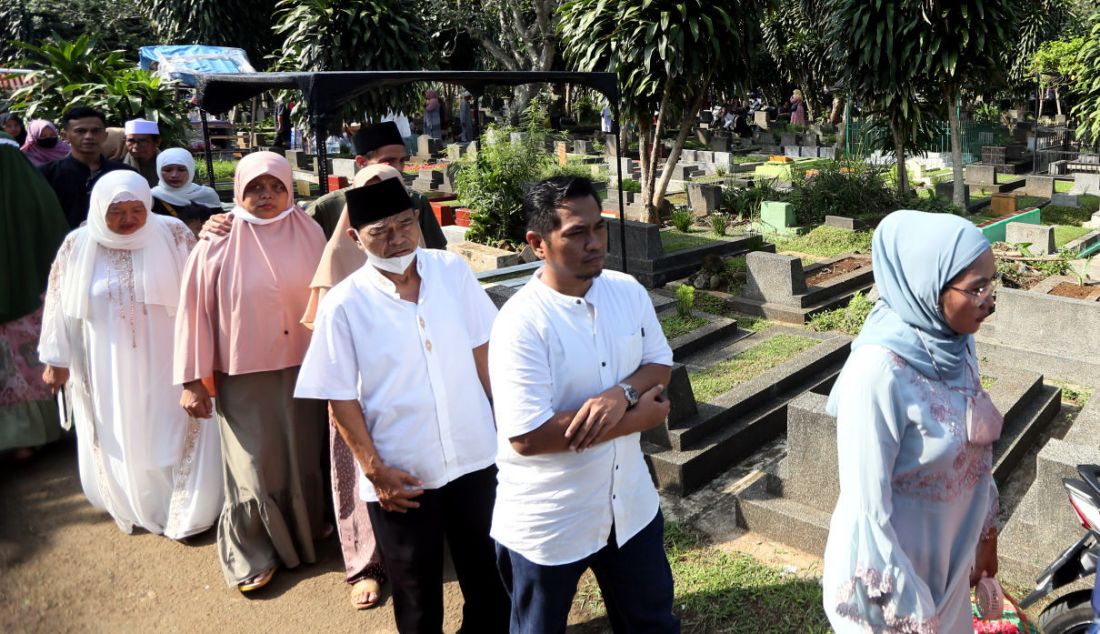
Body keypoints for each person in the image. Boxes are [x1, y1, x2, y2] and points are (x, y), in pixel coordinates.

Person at [295, 176, 509, 633]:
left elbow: (482, 351)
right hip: (403, 476)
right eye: (380, 232)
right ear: (355, 238)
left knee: (490, 580)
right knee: (416, 595)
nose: (396, 240)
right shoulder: (345, 304)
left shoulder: (450, 272)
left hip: (475, 456)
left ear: (417, 221)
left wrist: (506, 431)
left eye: (404, 224)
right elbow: (339, 397)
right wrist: (375, 472)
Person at [489, 176, 680, 634]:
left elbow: (659, 364)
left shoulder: (627, 291)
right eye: (577, 233)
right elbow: (529, 436)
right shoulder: (521, 324)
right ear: (537, 243)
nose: (594, 243)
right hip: (551, 520)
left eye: (599, 228)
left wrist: (620, 395)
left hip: (629, 507)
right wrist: (638, 419)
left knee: (652, 624)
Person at [821, 209, 1001, 632]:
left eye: (993, 285)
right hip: (895, 585)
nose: (989, 303)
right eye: (977, 290)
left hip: (950, 569)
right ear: (929, 286)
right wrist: (914, 614)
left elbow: (973, 447)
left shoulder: (956, 347)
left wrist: (985, 537)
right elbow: (868, 514)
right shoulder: (877, 373)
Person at [37, 170, 223, 538]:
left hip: (172, 358)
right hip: (105, 362)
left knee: (172, 424)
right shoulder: (78, 244)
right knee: (122, 428)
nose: (128, 220)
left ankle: (186, 504)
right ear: (99, 209)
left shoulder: (171, 233)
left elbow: (203, 290)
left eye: (136, 209)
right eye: (116, 211)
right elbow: (58, 302)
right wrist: (55, 359)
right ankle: (135, 502)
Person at [174, 151, 328, 592]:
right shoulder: (217, 241)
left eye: (276, 186)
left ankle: (306, 530)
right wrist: (191, 380)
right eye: (255, 188)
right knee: (254, 463)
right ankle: (253, 550)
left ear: (289, 188)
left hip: (305, 365)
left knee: (301, 453)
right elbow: (193, 312)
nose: (266, 196)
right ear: (239, 192)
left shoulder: (310, 231)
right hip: (243, 375)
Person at [301, 163, 399, 609]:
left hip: (408, 388)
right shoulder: (339, 256)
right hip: (355, 393)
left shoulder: (429, 260)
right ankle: (366, 563)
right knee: (358, 476)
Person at [200, 121, 446, 250]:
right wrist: (220, 223)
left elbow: (436, 252)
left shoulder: (415, 201)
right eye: (388, 161)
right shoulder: (329, 207)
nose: (397, 168)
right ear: (361, 162)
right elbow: (289, 239)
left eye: (402, 161)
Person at [0, 132, 69, 460]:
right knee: (28, 366)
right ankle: (33, 436)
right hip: (33, 302)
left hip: (27, 306)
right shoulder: (36, 192)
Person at [39, 106, 133, 228]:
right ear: (65, 135)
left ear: (105, 135)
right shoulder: (46, 175)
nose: (89, 136)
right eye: (80, 131)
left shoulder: (124, 174)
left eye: (95, 131)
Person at [151, 148, 222, 235]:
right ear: (158, 170)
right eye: (168, 170)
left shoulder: (207, 195)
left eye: (181, 169)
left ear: (190, 169)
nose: (174, 175)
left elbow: (220, 227)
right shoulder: (152, 198)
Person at [123, 118, 162, 187]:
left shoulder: (168, 165)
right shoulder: (119, 166)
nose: (136, 146)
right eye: (131, 141)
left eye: (143, 141)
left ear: (157, 142)